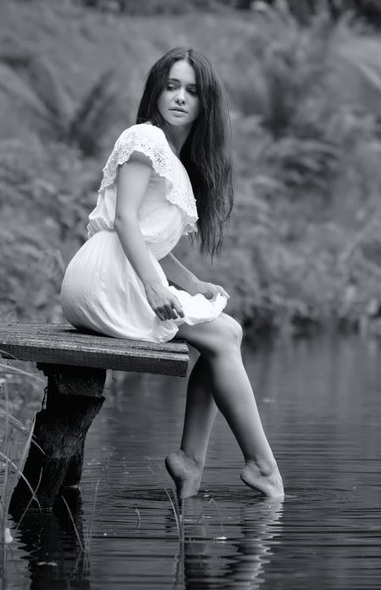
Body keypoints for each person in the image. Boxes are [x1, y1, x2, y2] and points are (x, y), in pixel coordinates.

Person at [60, 47, 284, 500]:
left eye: (193, 91)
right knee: (223, 337)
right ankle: (260, 466)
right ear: (156, 91)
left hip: (117, 269)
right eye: (172, 86)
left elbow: (150, 242)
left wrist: (193, 283)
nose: (180, 97)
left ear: (206, 104)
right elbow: (124, 221)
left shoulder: (172, 158)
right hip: (106, 273)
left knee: (224, 335)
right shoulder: (144, 138)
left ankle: (192, 463)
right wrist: (154, 286)